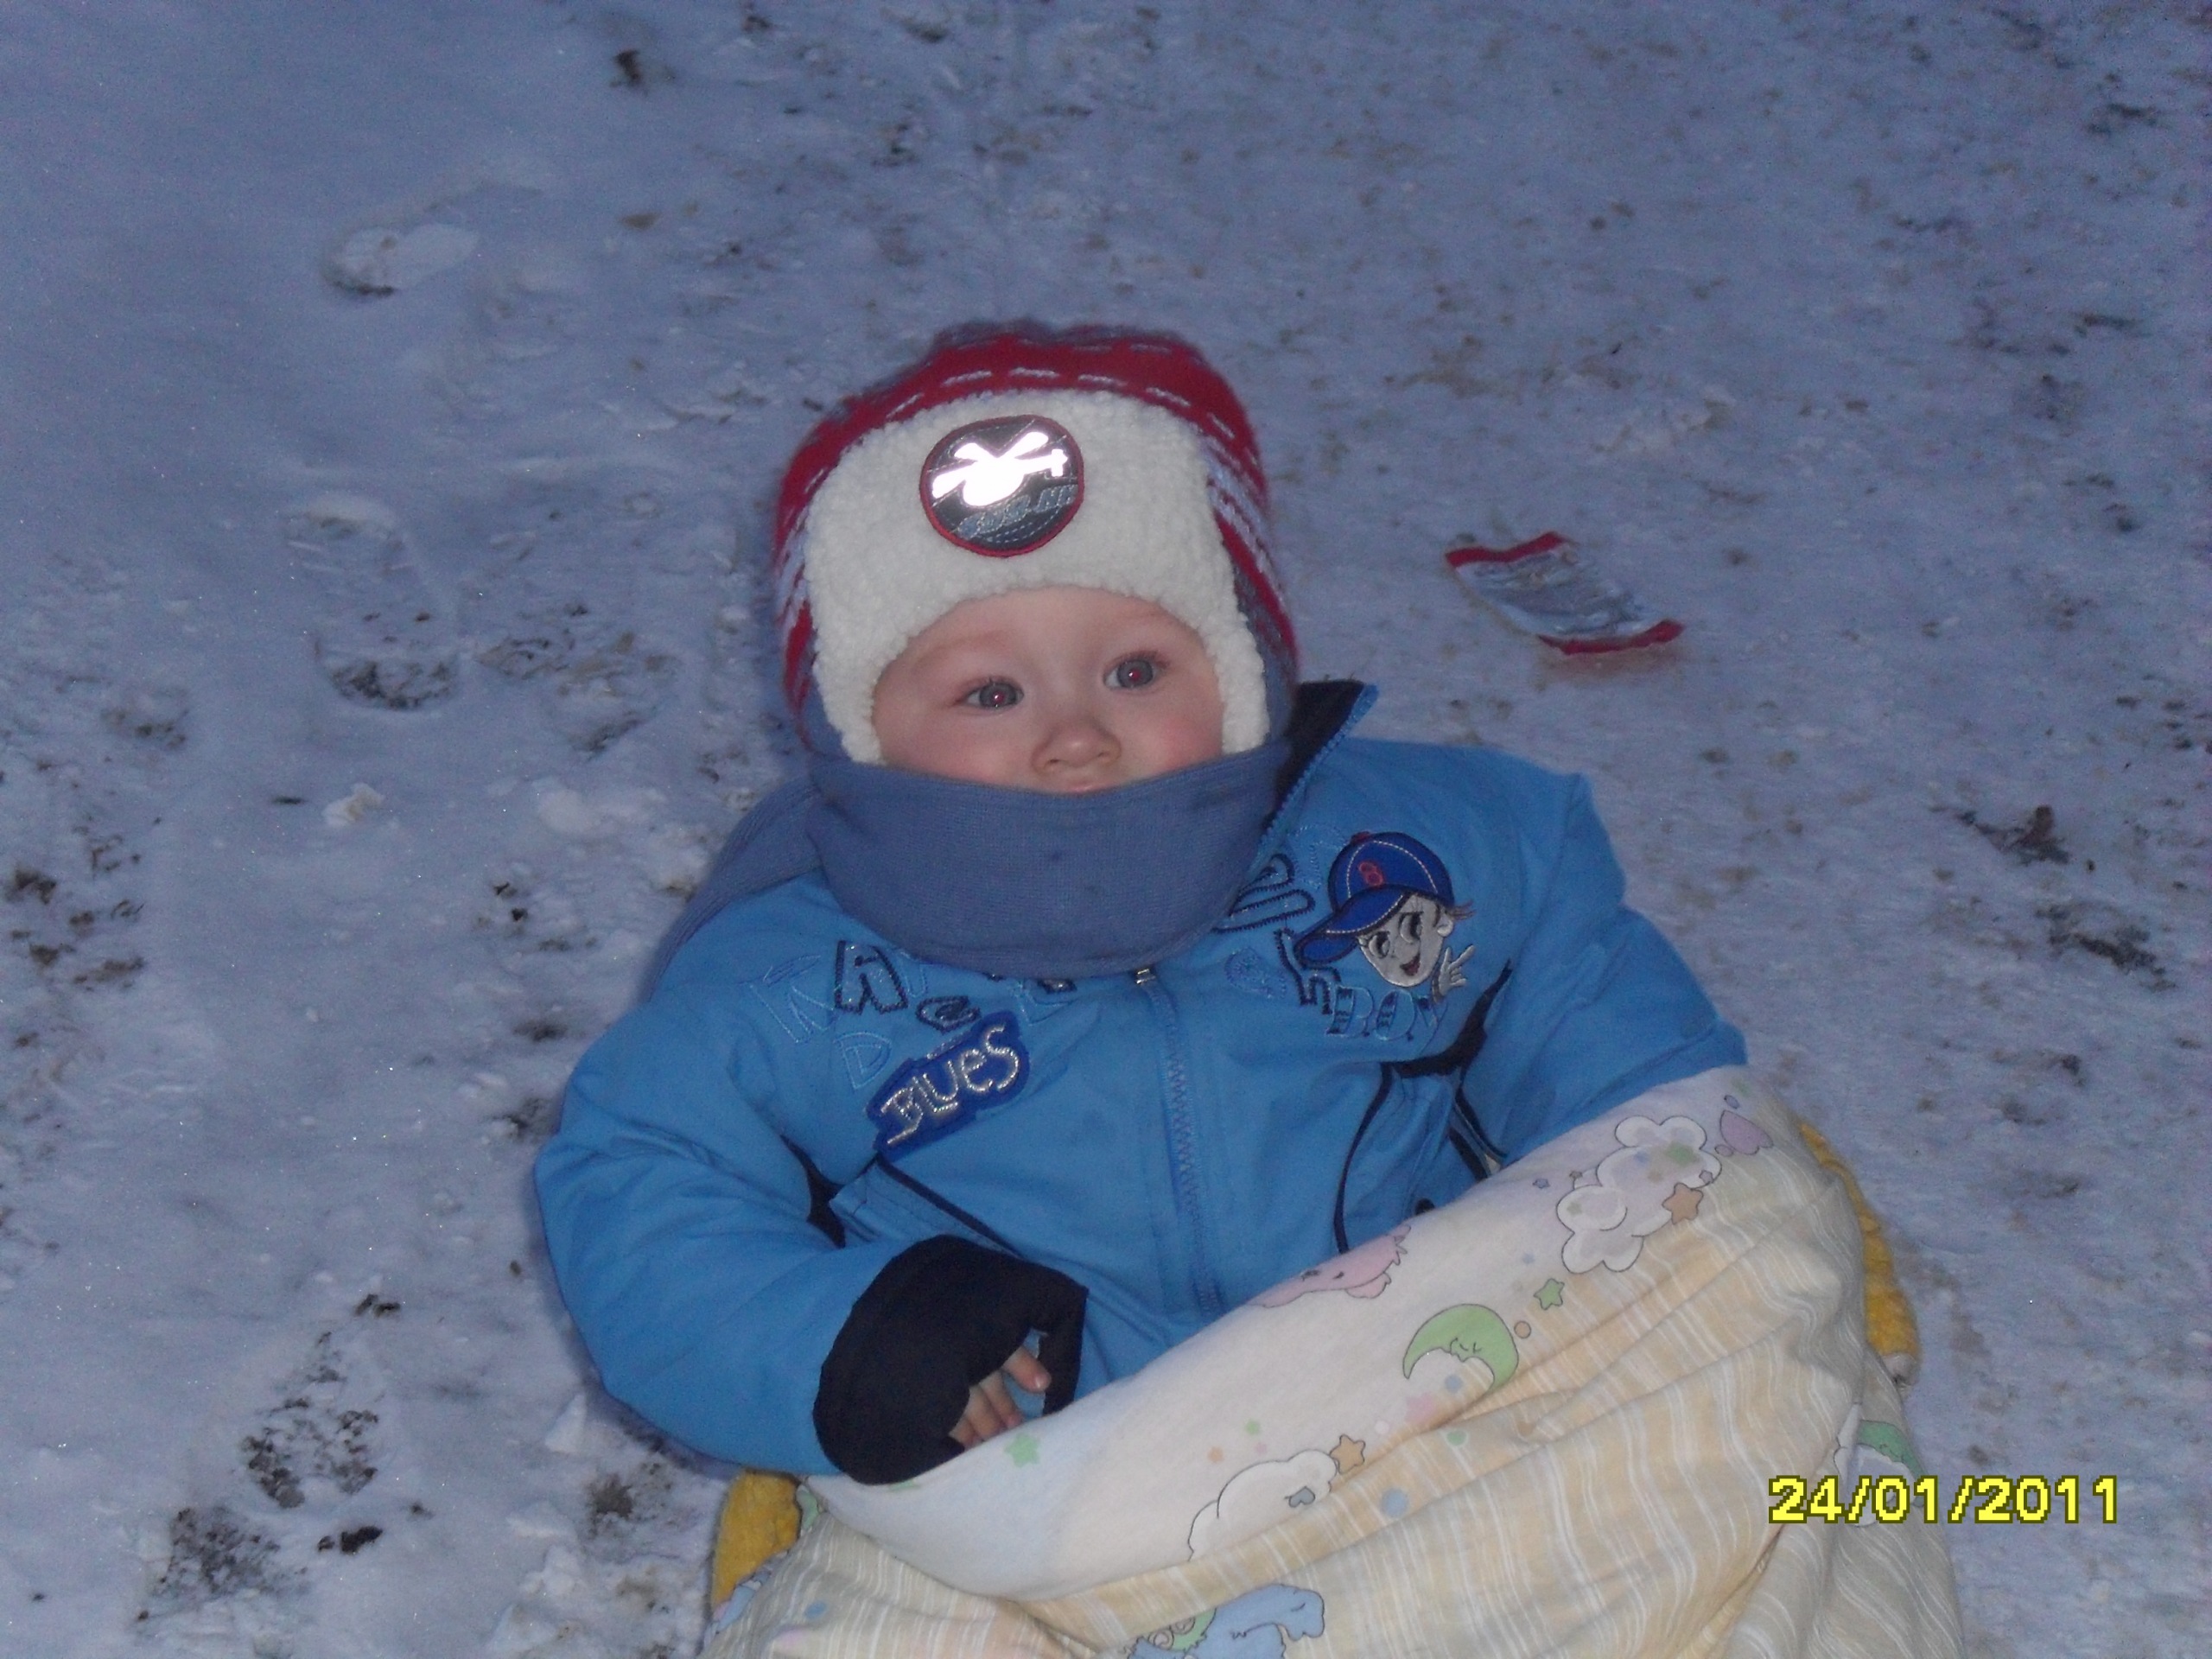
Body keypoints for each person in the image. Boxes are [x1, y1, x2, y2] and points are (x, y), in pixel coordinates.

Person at [534, 325, 1745, 1489]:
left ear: (1242, 669)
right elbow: (646, 1188)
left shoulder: (1421, 850)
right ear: (861, 731)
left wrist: (1668, 1207)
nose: (1076, 734)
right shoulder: (798, 978)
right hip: (1029, 1477)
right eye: (990, 691)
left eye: (1135, 670)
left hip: (1421, 1400)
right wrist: (848, 1348)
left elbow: (1612, 1051)